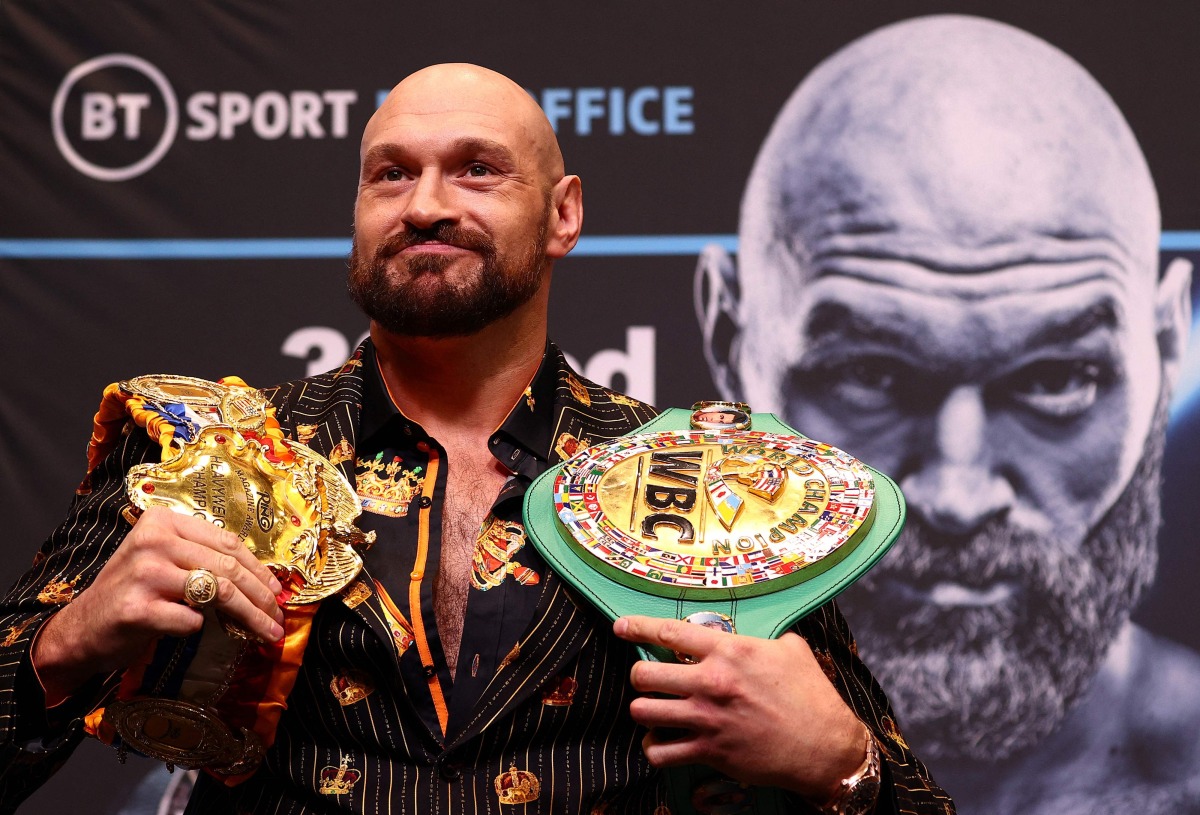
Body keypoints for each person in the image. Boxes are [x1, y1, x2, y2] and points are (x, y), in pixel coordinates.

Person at [0, 63, 952, 814]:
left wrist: (843, 763)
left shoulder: (711, 482)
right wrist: (65, 645)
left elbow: (903, 792)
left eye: (477, 169)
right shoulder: (206, 448)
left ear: (563, 215)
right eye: (391, 175)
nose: (424, 204)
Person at [695, 15, 1200, 815]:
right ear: (731, 338)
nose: (959, 499)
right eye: (868, 374)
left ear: (1166, 347)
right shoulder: (596, 756)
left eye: (1059, 379)